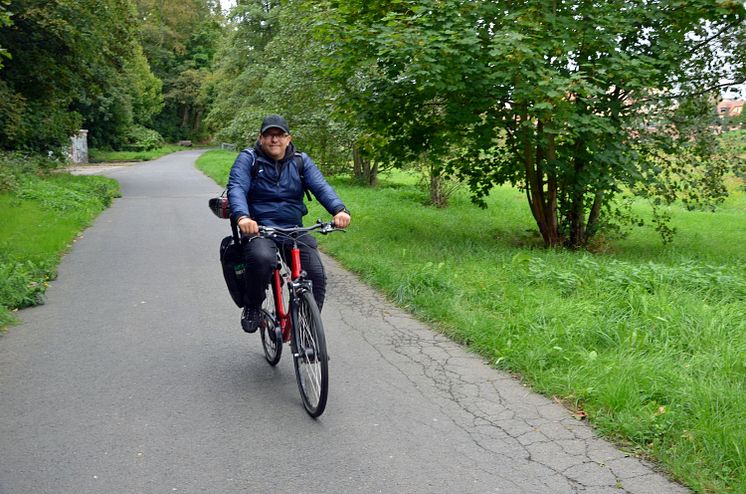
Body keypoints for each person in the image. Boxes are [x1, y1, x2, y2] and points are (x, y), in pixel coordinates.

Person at [226, 115, 351, 333]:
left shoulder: (300, 161)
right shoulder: (249, 159)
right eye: (268, 135)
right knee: (261, 259)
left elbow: (321, 186)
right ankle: (253, 305)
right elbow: (237, 187)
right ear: (261, 138)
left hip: (293, 227)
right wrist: (243, 218)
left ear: (288, 138)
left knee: (316, 274)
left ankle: (307, 331)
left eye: (279, 135)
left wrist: (339, 210)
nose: (274, 139)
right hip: (259, 228)